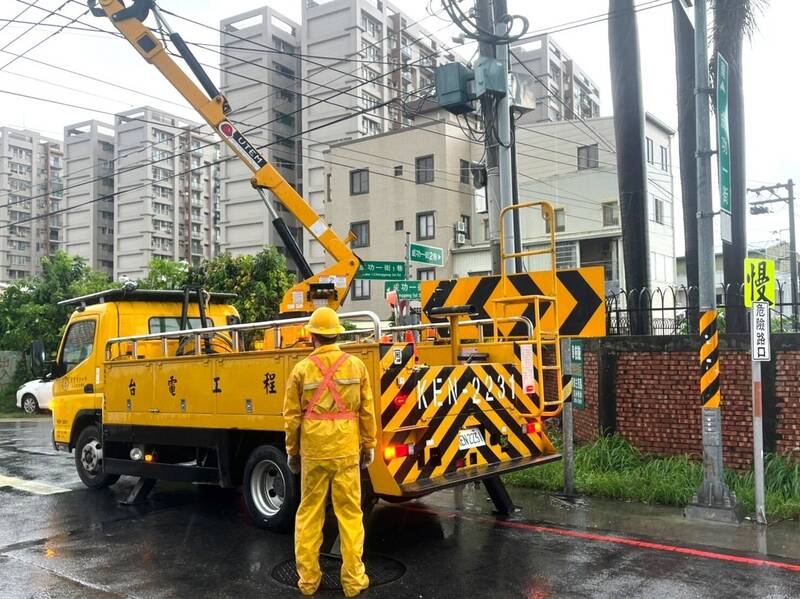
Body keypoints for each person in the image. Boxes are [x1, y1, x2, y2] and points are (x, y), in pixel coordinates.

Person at [283, 306, 377, 597]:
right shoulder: (356, 366)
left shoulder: (301, 369)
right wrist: (369, 444)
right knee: (349, 515)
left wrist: (292, 452)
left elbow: (292, 417)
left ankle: (309, 582)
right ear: (336, 333)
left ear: (313, 336)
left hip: (314, 451)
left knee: (310, 514)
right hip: (346, 449)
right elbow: (366, 410)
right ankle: (352, 581)